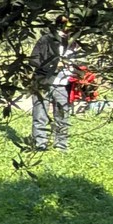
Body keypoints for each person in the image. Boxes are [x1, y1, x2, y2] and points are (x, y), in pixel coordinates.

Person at [29, 21, 72, 151]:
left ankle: (61, 145)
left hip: (63, 85)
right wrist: (53, 66)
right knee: (40, 115)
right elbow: (33, 60)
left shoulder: (74, 43)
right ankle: (40, 144)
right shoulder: (46, 40)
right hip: (43, 83)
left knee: (62, 116)